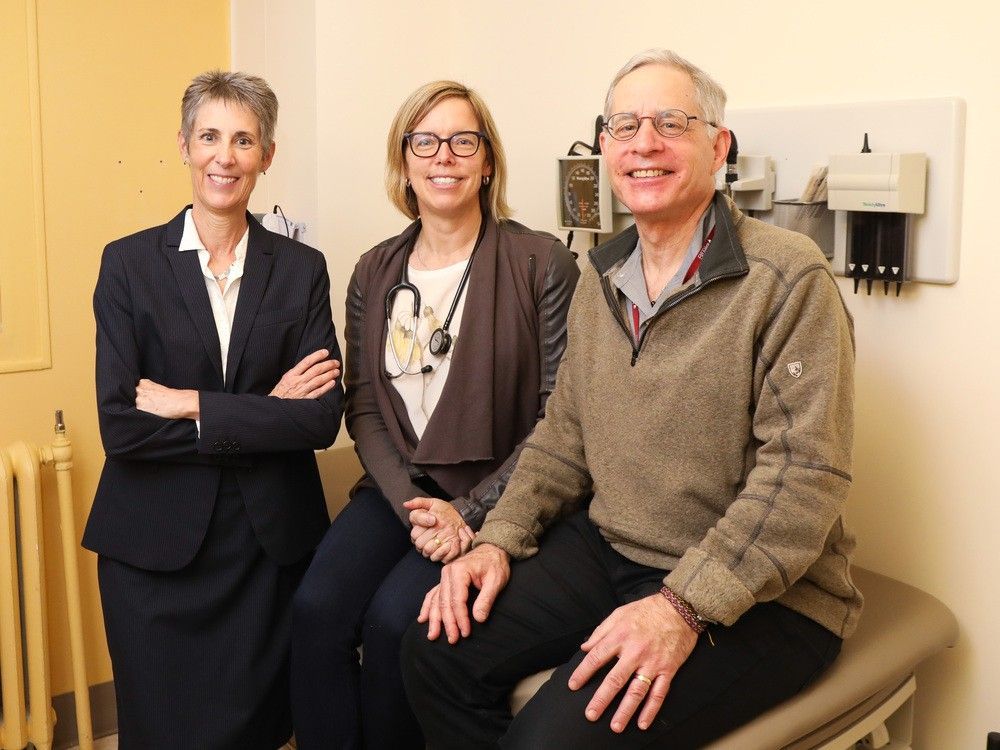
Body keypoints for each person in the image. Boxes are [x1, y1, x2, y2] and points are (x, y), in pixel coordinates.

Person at [402, 49, 863, 750]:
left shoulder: (788, 278)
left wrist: (682, 606)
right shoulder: (603, 272)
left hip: (770, 599)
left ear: (718, 146)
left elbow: (804, 480)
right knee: (435, 649)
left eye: (670, 123)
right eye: (623, 126)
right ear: (607, 148)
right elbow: (563, 436)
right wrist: (498, 540)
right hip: (612, 547)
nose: (644, 143)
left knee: (548, 742)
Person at [290, 80, 579, 749]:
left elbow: (560, 416)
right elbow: (362, 406)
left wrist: (469, 514)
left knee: (398, 622)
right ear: (405, 162)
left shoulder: (542, 263)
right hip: (401, 493)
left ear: (486, 162)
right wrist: (415, 508)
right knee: (317, 610)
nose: (442, 156)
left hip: (496, 493)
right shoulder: (373, 270)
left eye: (461, 140)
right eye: (425, 141)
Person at [83, 71, 343, 750]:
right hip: (153, 550)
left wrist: (193, 405)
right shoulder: (127, 266)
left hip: (266, 550)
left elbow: (317, 421)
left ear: (267, 154)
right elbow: (122, 426)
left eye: (243, 140)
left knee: (255, 730)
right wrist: (262, 413)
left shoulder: (301, 269)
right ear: (184, 145)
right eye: (210, 137)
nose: (224, 156)